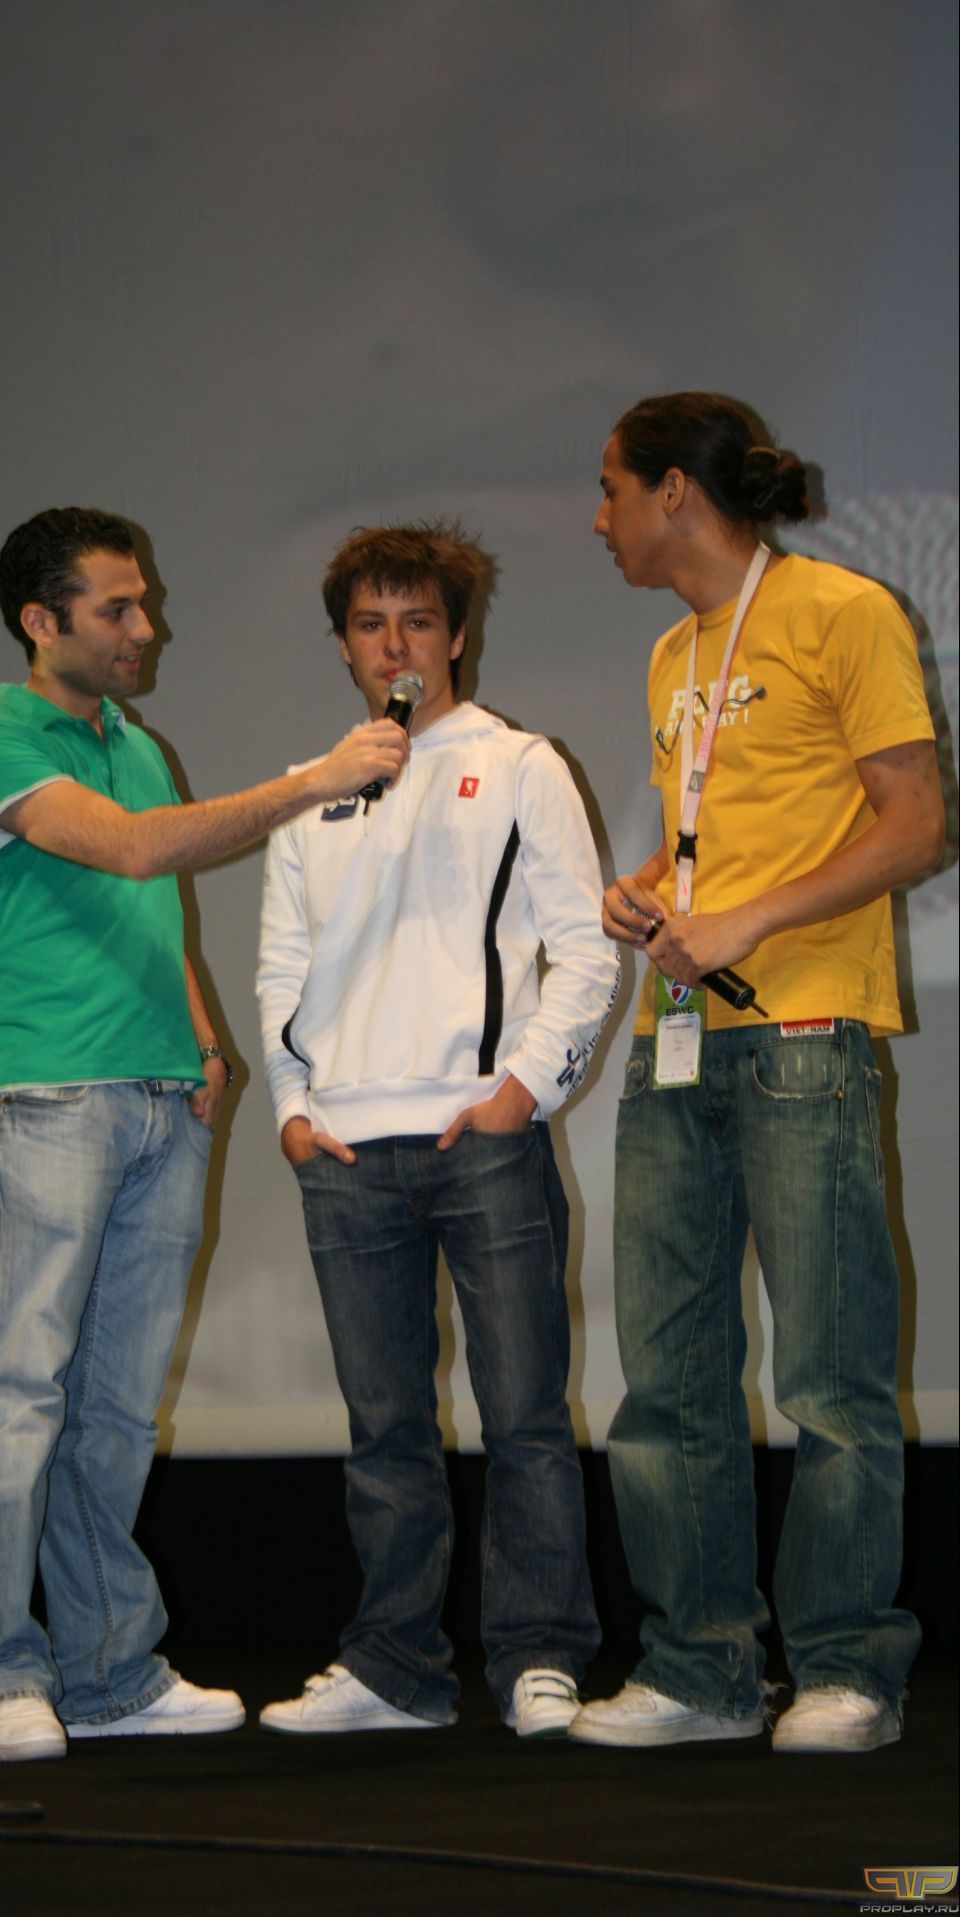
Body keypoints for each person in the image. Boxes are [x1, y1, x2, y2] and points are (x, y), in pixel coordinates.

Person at [0, 507, 410, 1761]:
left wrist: (202, 1043)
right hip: (46, 1099)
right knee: (18, 1395)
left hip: (159, 1103)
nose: (145, 626)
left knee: (112, 1410)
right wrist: (311, 781)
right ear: (41, 622)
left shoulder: (134, 744)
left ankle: (106, 1675)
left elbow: (153, 918)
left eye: (142, 601)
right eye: (116, 608)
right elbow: (138, 854)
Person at [569, 393, 943, 1754]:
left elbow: (914, 825)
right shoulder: (673, 653)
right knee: (667, 1372)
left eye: (610, 488)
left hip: (804, 1031)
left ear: (674, 490)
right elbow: (715, 837)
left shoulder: (844, 610)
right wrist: (650, 891)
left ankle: (847, 1667)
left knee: (830, 1374)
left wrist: (747, 920)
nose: (597, 518)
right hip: (679, 1032)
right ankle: (701, 1668)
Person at [255, 522, 619, 1737]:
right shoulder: (310, 790)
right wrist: (293, 1110)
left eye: (416, 621)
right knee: (385, 1430)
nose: (394, 645)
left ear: (456, 636)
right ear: (343, 646)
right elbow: (280, 966)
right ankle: (394, 1666)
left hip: (483, 1140)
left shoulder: (518, 765)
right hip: (345, 1152)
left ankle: (538, 1652)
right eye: (370, 625)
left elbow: (582, 952)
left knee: (524, 1416)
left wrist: (522, 1091)